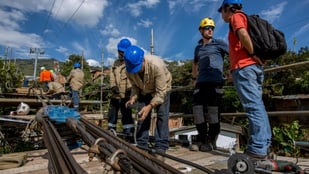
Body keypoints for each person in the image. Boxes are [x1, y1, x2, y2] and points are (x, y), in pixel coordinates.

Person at [218, 0, 271, 159]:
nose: (221, 14)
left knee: (253, 107)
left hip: (245, 68)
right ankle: (265, 144)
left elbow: (242, 34)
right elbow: (237, 48)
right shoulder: (244, 17)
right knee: (258, 106)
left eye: (222, 10)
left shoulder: (236, 17)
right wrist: (233, 70)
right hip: (248, 68)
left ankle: (258, 148)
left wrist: (252, 53)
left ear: (228, 8)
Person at [124, 45, 172, 157]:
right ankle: (142, 145)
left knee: (162, 116)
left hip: (162, 89)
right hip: (144, 90)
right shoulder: (129, 69)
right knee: (142, 115)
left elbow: (160, 93)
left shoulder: (157, 65)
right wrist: (133, 97)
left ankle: (161, 146)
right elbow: (135, 86)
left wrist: (150, 106)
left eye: (138, 67)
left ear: (143, 60)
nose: (135, 70)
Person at [191, 17, 228, 152]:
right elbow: (194, 63)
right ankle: (203, 139)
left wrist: (232, 72)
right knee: (198, 112)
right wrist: (194, 78)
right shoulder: (198, 48)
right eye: (207, 28)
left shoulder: (219, 44)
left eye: (212, 28)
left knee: (213, 113)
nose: (210, 30)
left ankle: (212, 140)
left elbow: (234, 54)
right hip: (200, 84)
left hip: (215, 83)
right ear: (201, 30)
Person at [107, 38, 135, 136]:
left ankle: (129, 133)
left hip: (126, 94)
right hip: (116, 94)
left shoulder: (131, 61)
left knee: (126, 114)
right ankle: (111, 132)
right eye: (120, 51)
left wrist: (130, 89)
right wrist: (113, 86)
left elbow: (133, 76)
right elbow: (111, 76)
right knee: (112, 114)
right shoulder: (115, 63)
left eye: (123, 51)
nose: (121, 53)